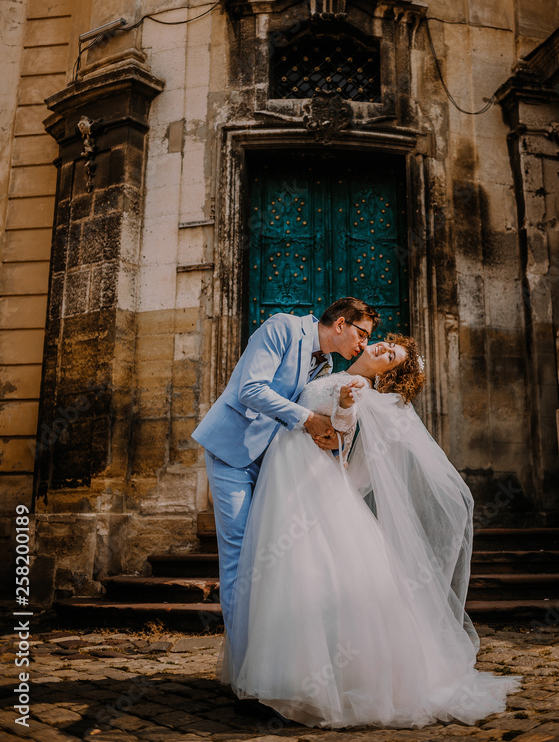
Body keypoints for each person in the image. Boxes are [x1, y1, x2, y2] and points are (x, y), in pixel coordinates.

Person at [219, 335, 521, 729]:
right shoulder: (331, 370)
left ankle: (310, 681)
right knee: (294, 571)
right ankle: (284, 674)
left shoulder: (358, 387)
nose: (380, 348)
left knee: (305, 569)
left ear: (388, 374)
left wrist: (344, 404)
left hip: (307, 474)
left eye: (391, 356)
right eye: (385, 344)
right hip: (289, 468)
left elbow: (345, 427)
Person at [190, 297, 379, 636]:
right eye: (362, 335)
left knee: (264, 557)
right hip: (232, 451)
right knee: (239, 558)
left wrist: (334, 440)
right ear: (340, 324)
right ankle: (242, 666)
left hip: (274, 463)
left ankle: (265, 656)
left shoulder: (325, 366)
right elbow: (249, 389)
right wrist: (306, 418)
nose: (364, 345)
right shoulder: (282, 327)